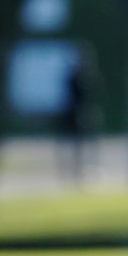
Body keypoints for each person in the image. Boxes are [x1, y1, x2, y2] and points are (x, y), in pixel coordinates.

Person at [55, 46, 97, 185]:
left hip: (77, 113)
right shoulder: (74, 77)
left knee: (79, 146)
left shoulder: (80, 76)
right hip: (73, 114)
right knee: (73, 145)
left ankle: (78, 172)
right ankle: (71, 172)